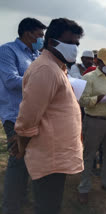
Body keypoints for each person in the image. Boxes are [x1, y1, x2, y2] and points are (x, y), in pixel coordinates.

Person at [14, 18, 84, 214]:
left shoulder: (56, 67)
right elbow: (29, 115)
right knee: (47, 206)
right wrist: (21, 142)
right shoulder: (45, 69)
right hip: (49, 154)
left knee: (51, 203)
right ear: (52, 42)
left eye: (77, 44)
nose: (75, 48)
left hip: (55, 153)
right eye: (70, 43)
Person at [0, 17, 46, 214]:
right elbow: (10, 81)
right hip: (15, 114)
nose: (41, 39)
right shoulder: (8, 51)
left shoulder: (36, 54)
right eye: (40, 35)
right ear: (28, 33)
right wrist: (40, 82)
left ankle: (22, 195)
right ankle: (11, 206)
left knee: (29, 158)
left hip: (33, 114)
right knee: (17, 159)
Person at [78, 48, 106, 203]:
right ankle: (84, 187)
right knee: (89, 155)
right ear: (98, 62)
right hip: (94, 121)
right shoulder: (88, 78)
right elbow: (82, 101)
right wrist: (99, 98)